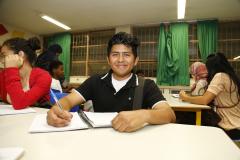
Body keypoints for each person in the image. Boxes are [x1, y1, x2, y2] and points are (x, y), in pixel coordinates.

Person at [47, 32, 176, 132]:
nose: (120, 60)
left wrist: (144, 115)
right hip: (100, 143)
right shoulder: (95, 81)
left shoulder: (146, 85)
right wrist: (56, 110)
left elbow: (169, 115)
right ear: (108, 59)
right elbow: (68, 100)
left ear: (136, 60)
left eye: (126, 54)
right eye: (115, 54)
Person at [180, 52, 240, 139]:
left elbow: (205, 100)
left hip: (230, 126)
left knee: (187, 119)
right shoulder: (231, 76)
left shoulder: (220, 76)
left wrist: (184, 97)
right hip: (236, 122)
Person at [0, 37, 52, 109]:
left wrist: (12, 69)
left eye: (4, 56)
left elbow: (20, 102)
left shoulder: (43, 76)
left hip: (36, 118)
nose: (2, 61)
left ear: (20, 55)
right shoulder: (3, 74)